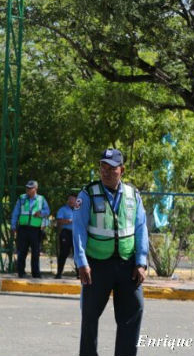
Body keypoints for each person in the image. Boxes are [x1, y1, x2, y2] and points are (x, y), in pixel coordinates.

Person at [73, 148, 149, 356]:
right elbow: (78, 229)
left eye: (112, 168)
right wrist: (81, 262)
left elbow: (141, 228)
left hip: (128, 265)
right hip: (96, 265)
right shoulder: (88, 193)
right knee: (89, 317)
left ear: (121, 170)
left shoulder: (133, 195)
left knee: (133, 313)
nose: (106, 172)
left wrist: (141, 262)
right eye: (103, 168)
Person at [11, 180, 50, 278]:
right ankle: (21, 272)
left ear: (35, 189)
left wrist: (40, 213)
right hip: (23, 229)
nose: (28, 190)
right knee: (22, 251)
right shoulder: (21, 198)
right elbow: (16, 212)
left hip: (35, 230)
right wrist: (13, 225)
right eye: (27, 188)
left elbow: (47, 211)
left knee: (35, 252)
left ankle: (36, 274)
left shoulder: (41, 199)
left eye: (30, 188)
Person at [55, 192, 78, 279]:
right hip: (66, 232)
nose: (71, 201)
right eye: (69, 199)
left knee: (77, 253)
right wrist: (69, 221)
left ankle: (79, 274)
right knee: (63, 253)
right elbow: (59, 220)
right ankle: (59, 273)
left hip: (76, 233)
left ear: (76, 200)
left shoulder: (80, 209)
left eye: (73, 199)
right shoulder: (63, 209)